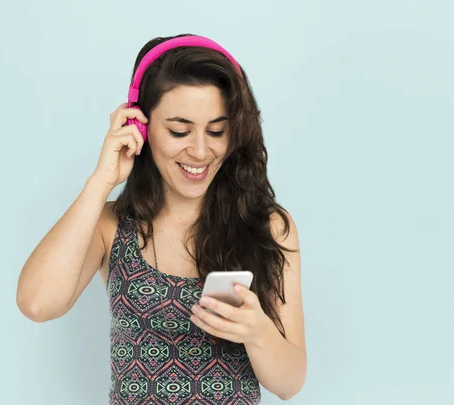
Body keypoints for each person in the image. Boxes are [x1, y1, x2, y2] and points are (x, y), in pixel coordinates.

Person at [16, 33, 306, 404]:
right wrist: (101, 181)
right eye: (179, 131)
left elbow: (290, 383)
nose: (201, 151)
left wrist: (257, 332)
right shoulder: (110, 226)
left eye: (217, 131)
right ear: (141, 127)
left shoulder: (270, 227)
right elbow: (37, 304)